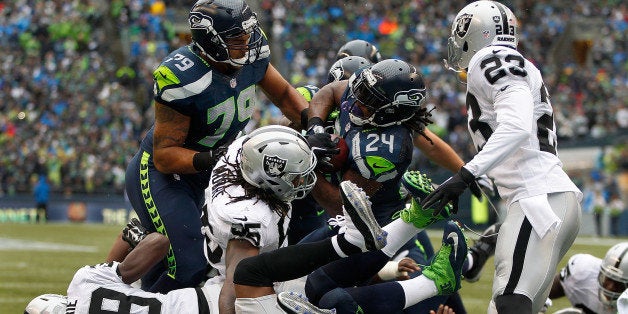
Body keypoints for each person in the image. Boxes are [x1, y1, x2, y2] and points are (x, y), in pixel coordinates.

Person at [120, 0, 310, 293]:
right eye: (237, 38)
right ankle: (128, 299)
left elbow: (284, 93)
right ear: (211, 40)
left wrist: (316, 124)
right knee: (190, 262)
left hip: (211, 170)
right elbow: (165, 157)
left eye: (248, 34)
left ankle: (143, 295)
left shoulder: (253, 55)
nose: (247, 43)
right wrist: (217, 156)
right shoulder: (182, 76)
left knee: (204, 260)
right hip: (165, 174)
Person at [420, 2, 583, 313]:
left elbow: (518, 126)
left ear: (477, 32)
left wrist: (464, 176)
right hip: (542, 198)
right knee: (503, 307)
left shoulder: (490, 58)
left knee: (509, 302)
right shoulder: (513, 61)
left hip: (537, 198)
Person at [548, 242, 628, 314]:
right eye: (608, 278)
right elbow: (544, 292)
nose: (610, 287)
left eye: (618, 284)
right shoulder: (583, 272)